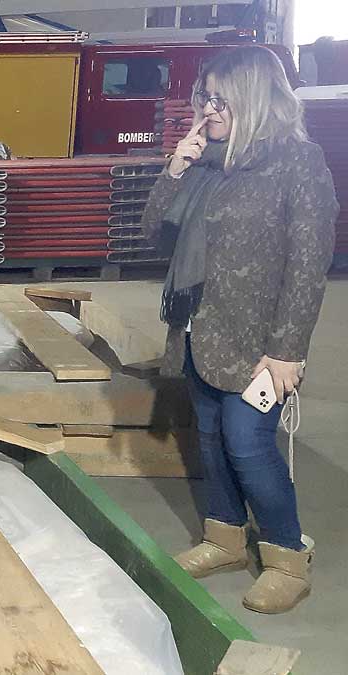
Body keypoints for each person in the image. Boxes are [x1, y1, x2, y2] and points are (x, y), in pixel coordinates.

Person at [142, 46, 339, 614]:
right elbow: (157, 234)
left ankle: (285, 556)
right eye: (204, 96)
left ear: (252, 98)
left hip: (259, 343)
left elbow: (309, 264)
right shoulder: (208, 162)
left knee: (249, 445)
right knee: (209, 441)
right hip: (200, 332)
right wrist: (176, 166)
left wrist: (287, 351)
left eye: (218, 97)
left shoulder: (298, 164)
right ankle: (224, 539)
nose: (207, 107)